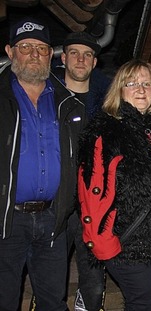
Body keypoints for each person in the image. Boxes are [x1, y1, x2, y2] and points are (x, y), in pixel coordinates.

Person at [77, 59, 151, 310]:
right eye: (132, 83)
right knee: (143, 301)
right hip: (125, 241)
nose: (141, 89)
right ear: (119, 90)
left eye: (146, 83)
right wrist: (102, 242)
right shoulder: (107, 130)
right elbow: (91, 191)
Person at [0, 17, 86, 311]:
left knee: (53, 301)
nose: (34, 54)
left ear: (50, 54)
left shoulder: (68, 102)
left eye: (41, 48)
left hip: (52, 218)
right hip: (7, 220)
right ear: (11, 52)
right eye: (26, 47)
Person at [58, 30, 112, 311]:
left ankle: (89, 306)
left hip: (92, 200)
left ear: (94, 63)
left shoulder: (106, 104)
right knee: (50, 269)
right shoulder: (47, 96)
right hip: (54, 199)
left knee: (92, 268)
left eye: (88, 54)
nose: (81, 59)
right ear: (64, 58)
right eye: (75, 53)